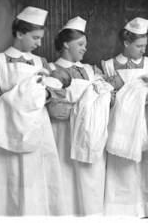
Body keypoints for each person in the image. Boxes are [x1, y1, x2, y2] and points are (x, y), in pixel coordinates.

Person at [0, 6, 66, 216]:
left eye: (41, 38)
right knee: (9, 177)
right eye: (35, 37)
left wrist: (45, 96)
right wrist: (9, 114)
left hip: (38, 127)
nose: (39, 43)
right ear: (19, 33)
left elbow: (57, 91)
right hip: (7, 129)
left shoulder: (41, 62)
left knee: (37, 176)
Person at [43, 16, 112, 216]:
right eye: (80, 44)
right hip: (63, 132)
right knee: (65, 177)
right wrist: (52, 108)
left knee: (91, 179)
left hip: (90, 131)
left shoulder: (91, 70)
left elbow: (108, 94)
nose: (84, 49)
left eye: (85, 45)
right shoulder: (51, 69)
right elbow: (45, 100)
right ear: (66, 44)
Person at [101, 17, 148, 217]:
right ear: (126, 43)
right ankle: (124, 210)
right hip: (122, 122)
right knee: (124, 164)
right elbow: (107, 92)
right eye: (139, 46)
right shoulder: (109, 65)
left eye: (145, 45)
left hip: (147, 119)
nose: (143, 50)